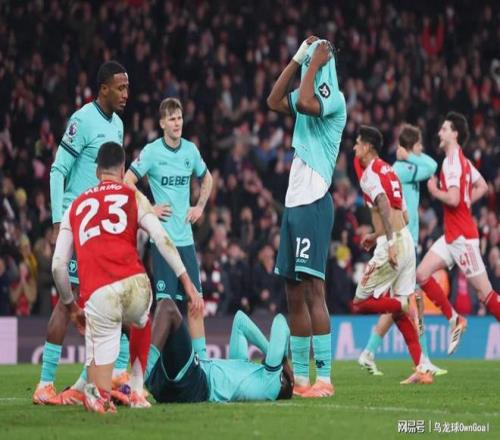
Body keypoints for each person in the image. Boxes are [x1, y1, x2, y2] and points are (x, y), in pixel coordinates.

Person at [51, 142, 203, 413]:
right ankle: (136, 390)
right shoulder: (133, 197)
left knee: (99, 380)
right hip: (137, 286)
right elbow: (162, 238)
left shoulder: (74, 205)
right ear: (123, 171)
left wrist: (70, 305)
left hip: (99, 295)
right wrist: (187, 283)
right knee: (141, 320)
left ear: (97, 172)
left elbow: (58, 266)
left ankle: (96, 393)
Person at [33, 61, 130, 405]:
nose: (126, 94)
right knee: (69, 300)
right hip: (78, 224)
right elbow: (58, 170)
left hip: (102, 228)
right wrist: (58, 221)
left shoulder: (117, 125)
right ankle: (45, 385)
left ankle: (101, 381)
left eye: (127, 88)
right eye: (120, 88)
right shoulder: (82, 120)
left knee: (110, 300)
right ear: (103, 89)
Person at [267, 36, 346, 397]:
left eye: (317, 56)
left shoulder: (334, 99)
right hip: (294, 201)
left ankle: (324, 379)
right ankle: (300, 380)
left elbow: (303, 100)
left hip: (314, 201)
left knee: (314, 289)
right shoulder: (308, 89)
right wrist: (298, 58)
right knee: (293, 292)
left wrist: (315, 61)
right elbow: (272, 100)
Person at [125, 97, 212, 358]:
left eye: (179, 118)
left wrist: (200, 207)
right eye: (172, 119)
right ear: (162, 123)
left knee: (196, 304)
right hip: (162, 243)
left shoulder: (190, 151)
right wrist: (149, 208)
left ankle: (202, 364)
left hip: (186, 241)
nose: (177, 123)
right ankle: (157, 366)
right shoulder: (152, 152)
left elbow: (207, 178)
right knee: (165, 307)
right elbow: (127, 181)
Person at [358, 124, 446, 376]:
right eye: (419, 146)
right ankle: (421, 359)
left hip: (405, 240)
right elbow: (432, 166)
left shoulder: (402, 167)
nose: (422, 150)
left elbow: (429, 165)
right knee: (407, 302)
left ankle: (373, 352)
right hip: (401, 240)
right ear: (412, 146)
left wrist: (412, 156)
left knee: (404, 303)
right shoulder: (399, 170)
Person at [416, 112, 500, 354]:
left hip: (463, 240)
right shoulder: (463, 161)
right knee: (421, 274)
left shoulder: (451, 162)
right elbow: (482, 186)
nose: (439, 133)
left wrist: (434, 190)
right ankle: (455, 319)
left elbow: (453, 199)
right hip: (451, 236)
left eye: (444, 129)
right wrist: (466, 202)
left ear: (454, 134)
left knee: (485, 294)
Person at [145, 300, 293, 403]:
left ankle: (143, 375)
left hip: (194, 383)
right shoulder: (248, 370)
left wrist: (283, 360)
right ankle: (139, 377)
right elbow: (240, 320)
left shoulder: (271, 381)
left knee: (168, 307)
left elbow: (280, 321)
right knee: (144, 322)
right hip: (171, 387)